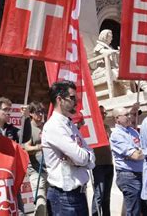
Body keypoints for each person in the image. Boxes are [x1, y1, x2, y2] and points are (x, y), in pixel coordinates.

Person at [41, 80, 95, 215]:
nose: (75, 102)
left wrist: (83, 158)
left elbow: (90, 155)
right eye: (72, 98)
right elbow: (81, 157)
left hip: (78, 193)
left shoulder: (70, 125)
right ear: (59, 99)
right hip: (64, 197)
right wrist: (83, 158)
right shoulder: (54, 125)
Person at [110, 103, 147, 216]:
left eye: (129, 114)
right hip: (129, 177)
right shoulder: (116, 135)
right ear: (117, 119)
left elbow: (139, 152)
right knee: (134, 211)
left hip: (141, 174)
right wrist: (146, 151)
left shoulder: (133, 131)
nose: (129, 116)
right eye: (126, 114)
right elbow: (136, 156)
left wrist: (140, 151)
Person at [22, 101, 48, 216]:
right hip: (36, 171)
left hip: (50, 170)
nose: (41, 114)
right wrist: (40, 146)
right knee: (41, 202)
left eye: (42, 112)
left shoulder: (46, 127)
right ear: (31, 114)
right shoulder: (28, 128)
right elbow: (26, 148)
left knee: (52, 202)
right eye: (38, 112)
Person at [91, 105, 114, 216]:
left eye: (105, 113)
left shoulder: (106, 127)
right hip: (98, 165)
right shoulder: (92, 128)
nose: (104, 115)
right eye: (102, 113)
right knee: (99, 194)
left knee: (107, 196)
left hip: (109, 163)